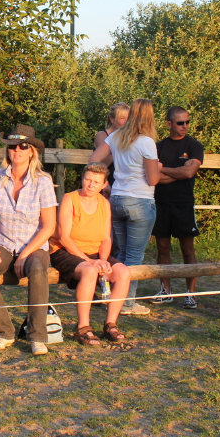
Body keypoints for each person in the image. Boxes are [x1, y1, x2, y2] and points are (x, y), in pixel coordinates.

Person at [0, 124, 57, 356]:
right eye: (12, 146)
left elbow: (49, 226)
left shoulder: (43, 181)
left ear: (32, 151)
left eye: (23, 146)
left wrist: (26, 254)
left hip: (34, 245)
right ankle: (4, 331)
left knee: (38, 270)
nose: (17, 150)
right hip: (4, 242)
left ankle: (37, 336)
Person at [89, 98, 162, 315]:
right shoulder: (147, 142)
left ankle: (112, 297)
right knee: (134, 256)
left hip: (117, 198)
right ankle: (127, 303)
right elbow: (153, 179)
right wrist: (158, 168)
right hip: (140, 200)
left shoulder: (116, 137)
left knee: (120, 253)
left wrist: (106, 183)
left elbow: (93, 161)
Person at [50, 162, 133, 346]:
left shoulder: (104, 203)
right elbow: (64, 237)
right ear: (82, 179)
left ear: (104, 184)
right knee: (89, 271)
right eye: (88, 180)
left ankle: (111, 324)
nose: (90, 185)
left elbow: (106, 238)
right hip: (65, 250)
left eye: (96, 182)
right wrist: (90, 261)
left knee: (123, 272)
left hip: (95, 252)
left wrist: (102, 260)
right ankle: (83, 327)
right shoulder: (69, 199)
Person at [152, 106, 204, 309]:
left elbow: (189, 173)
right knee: (162, 248)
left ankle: (190, 293)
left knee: (187, 249)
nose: (185, 126)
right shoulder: (157, 147)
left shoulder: (194, 145)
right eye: (180, 122)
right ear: (169, 124)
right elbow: (154, 178)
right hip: (161, 203)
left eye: (187, 122)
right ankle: (166, 290)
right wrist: (179, 172)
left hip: (184, 204)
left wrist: (163, 170)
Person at [94, 102, 129, 201]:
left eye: (129, 118)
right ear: (112, 119)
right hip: (106, 182)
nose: (127, 122)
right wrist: (118, 149)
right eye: (123, 118)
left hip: (124, 185)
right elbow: (100, 164)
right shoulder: (102, 135)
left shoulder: (130, 137)